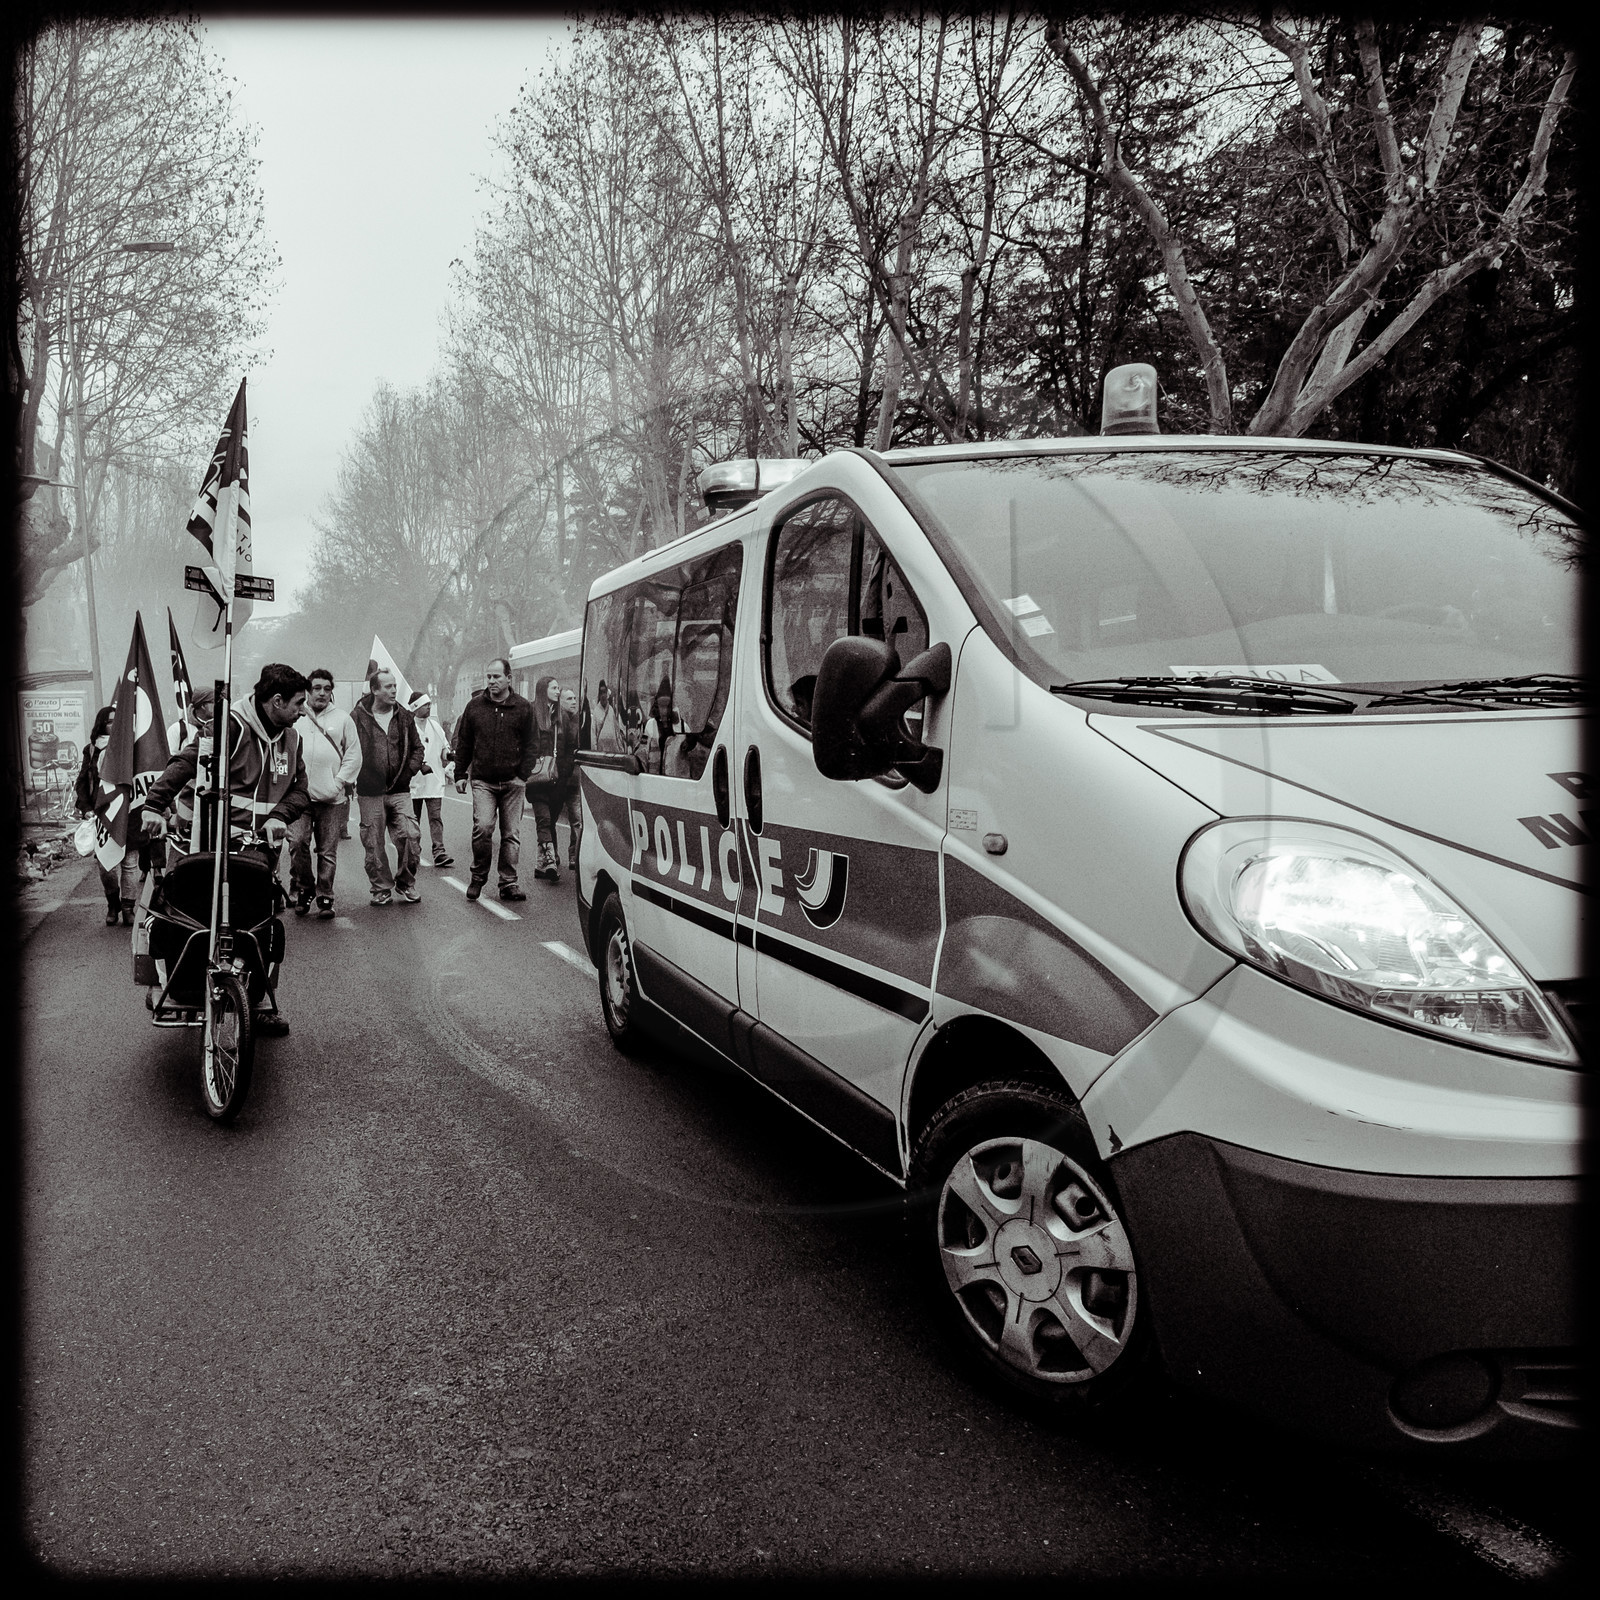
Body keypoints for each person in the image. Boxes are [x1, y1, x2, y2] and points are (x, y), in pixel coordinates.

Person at [142, 664, 312, 1036]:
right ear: (276, 701)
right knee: (183, 916)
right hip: (203, 843)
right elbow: (185, 762)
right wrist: (154, 805)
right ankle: (173, 987)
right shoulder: (229, 726)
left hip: (257, 850)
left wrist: (280, 815)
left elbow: (301, 791)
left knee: (260, 924)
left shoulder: (292, 739)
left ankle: (256, 1002)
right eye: (299, 703)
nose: (304, 710)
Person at [452, 656, 534, 902]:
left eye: (496, 676)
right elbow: (464, 742)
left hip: (513, 783)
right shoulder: (474, 707)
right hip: (483, 781)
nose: (491, 681)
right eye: (488, 676)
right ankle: (478, 877)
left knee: (511, 835)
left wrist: (522, 775)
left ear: (509, 678)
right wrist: (460, 774)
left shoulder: (523, 707)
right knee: (483, 828)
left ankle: (508, 883)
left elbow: (532, 744)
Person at [289, 668, 361, 918]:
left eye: (327, 689)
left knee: (327, 851)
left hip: (331, 798)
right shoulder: (295, 717)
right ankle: (305, 888)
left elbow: (353, 755)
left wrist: (338, 783)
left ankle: (325, 896)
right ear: (308, 691)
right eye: (317, 688)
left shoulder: (343, 719)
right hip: (298, 798)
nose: (322, 693)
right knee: (297, 843)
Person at [351, 667, 425, 906]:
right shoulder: (357, 717)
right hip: (369, 792)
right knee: (373, 843)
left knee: (411, 836)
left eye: (395, 686)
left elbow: (418, 749)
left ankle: (406, 882)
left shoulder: (405, 717)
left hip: (399, 790)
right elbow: (349, 749)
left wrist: (408, 772)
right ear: (375, 690)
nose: (394, 690)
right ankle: (381, 888)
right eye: (388, 686)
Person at [75, 703, 142, 925]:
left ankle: (128, 908)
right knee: (106, 867)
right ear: (102, 724)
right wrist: (86, 809)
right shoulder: (91, 750)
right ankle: (113, 905)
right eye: (110, 721)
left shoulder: (134, 748)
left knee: (130, 865)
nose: (114, 725)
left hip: (129, 814)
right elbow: (82, 782)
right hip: (103, 815)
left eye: (117, 721)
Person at [525, 675, 574, 883]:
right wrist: (528, 766)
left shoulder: (563, 716)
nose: (557, 691)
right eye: (554, 688)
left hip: (557, 779)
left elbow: (570, 747)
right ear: (543, 690)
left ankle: (541, 865)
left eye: (558, 687)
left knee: (551, 821)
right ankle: (551, 861)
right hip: (537, 777)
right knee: (543, 820)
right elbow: (524, 742)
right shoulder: (531, 712)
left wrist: (565, 770)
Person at [408, 689, 454, 869]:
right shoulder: (408, 727)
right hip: (413, 782)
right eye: (425, 705)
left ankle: (439, 852)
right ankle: (413, 852)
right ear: (416, 707)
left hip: (433, 780)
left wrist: (449, 755)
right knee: (414, 821)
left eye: (429, 704)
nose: (429, 707)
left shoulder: (435, 726)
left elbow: (443, 749)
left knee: (436, 818)